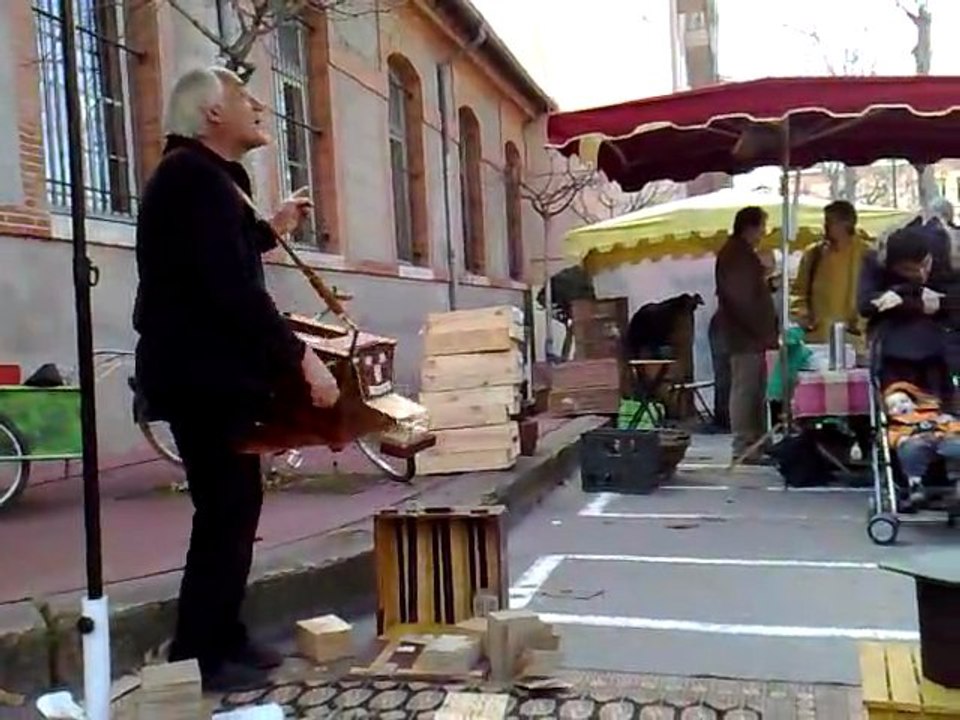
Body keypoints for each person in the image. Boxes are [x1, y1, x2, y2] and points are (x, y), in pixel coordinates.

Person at [133, 67, 340, 692]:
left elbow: (226, 253)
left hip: (214, 376)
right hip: (201, 378)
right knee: (224, 509)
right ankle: (199, 653)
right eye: (244, 99)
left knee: (233, 508)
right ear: (209, 115)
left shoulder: (210, 179)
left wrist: (268, 228)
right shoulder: (191, 179)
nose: (259, 108)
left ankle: (223, 635)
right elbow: (231, 288)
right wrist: (300, 357)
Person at [858, 224, 951, 400]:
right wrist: (904, 292)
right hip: (894, 353)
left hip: (936, 354)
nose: (921, 274)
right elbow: (865, 305)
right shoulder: (875, 263)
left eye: (924, 265)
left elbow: (949, 300)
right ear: (893, 267)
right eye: (909, 270)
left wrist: (904, 297)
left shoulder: (942, 255)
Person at [715, 206, 779, 462]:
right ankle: (744, 445)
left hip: (750, 334)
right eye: (762, 226)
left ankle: (756, 443)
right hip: (746, 335)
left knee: (755, 390)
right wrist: (762, 330)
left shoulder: (741, 254)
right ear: (749, 227)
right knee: (746, 389)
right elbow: (742, 299)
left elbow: (748, 292)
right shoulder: (736, 255)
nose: (764, 232)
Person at [790, 200, 869, 349]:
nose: (825, 226)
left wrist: (862, 323)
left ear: (847, 224)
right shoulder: (814, 254)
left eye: (830, 222)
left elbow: (874, 294)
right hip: (817, 338)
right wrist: (803, 314)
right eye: (825, 221)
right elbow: (798, 291)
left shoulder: (866, 254)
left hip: (854, 339)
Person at [884, 381, 960, 505]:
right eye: (894, 405)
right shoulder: (897, 425)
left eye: (904, 401)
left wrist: (950, 424)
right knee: (910, 450)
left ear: (914, 403)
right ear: (890, 412)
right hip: (917, 442)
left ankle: (958, 481)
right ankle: (915, 483)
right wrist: (899, 439)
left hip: (942, 439)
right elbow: (892, 437)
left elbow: (953, 426)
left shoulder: (932, 414)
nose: (901, 406)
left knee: (956, 447)